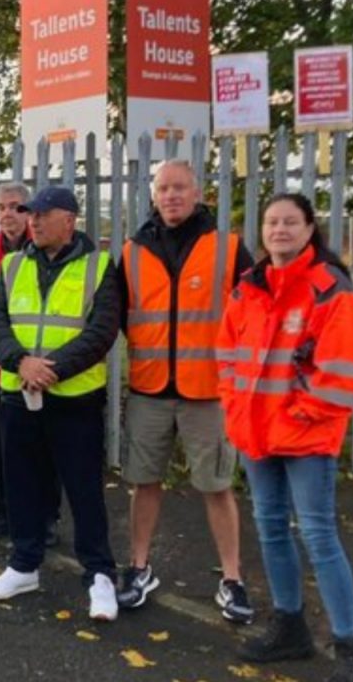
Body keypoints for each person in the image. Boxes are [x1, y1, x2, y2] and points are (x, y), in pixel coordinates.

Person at [217, 192, 353, 682]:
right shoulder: (250, 286)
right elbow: (227, 354)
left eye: (290, 222)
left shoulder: (330, 288)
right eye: (271, 222)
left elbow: (344, 367)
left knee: (320, 537)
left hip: (304, 436)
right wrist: (234, 405)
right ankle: (290, 626)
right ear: (261, 231)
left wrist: (304, 412)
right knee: (270, 530)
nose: (279, 230)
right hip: (257, 432)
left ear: (309, 229)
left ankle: (348, 645)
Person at [116, 160, 256, 623]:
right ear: (153, 195)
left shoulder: (229, 248)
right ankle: (139, 568)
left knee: (216, 486)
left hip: (208, 391)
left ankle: (232, 579)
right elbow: (117, 315)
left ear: (198, 192)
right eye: (164, 188)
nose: (172, 195)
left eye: (180, 187)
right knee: (144, 482)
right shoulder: (132, 251)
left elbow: (254, 316)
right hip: (150, 387)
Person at [0, 186, 121, 621]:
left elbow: (101, 331)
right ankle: (24, 564)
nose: (34, 221)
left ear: (71, 219)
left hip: (74, 399)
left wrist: (51, 369)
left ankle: (99, 574)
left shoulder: (99, 265)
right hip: (19, 396)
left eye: (44, 214)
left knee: (83, 489)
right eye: (30, 214)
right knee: (22, 484)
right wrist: (20, 362)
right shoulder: (11, 264)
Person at [0, 183, 61, 543]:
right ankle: (5, 512)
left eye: (17, 207)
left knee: (46, 448)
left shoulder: (46, 255)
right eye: (2, 207)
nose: (9, 214)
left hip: (43, 369)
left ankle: (46, 517)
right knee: (1, 450)